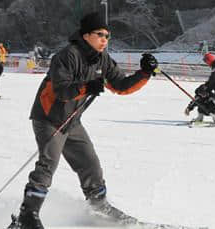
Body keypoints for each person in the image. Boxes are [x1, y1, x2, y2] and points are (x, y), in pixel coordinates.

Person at [8, 12, 158, 229]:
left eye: (108, 35)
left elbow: (121, 86)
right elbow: (61, 91)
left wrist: (144, 73)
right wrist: (87, 87)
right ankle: (28, 215)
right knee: (48, 164)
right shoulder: (67, 56)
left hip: (72, 121)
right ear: (86, 35)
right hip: (49, 118)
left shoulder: (102, 58)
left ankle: (100, 208)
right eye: (100, 34)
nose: (105, 39)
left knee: (90, 165)